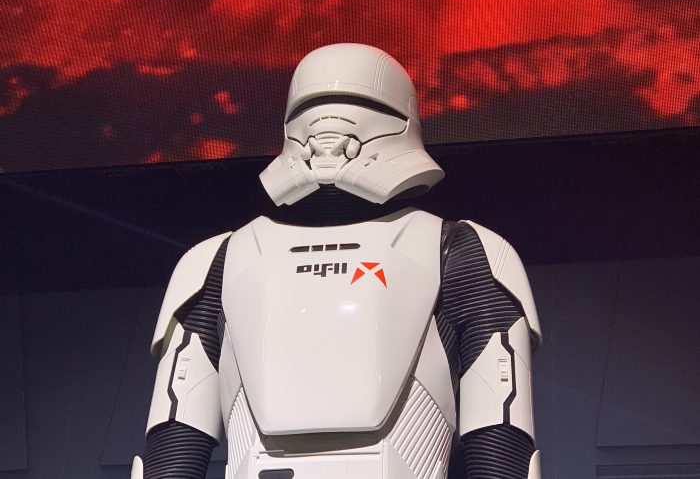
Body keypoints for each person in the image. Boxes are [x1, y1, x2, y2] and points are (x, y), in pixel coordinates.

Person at [132, 43, 542, 479]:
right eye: (315, 109)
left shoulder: (461, 254)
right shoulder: (217, 262)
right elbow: (173, 447)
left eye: (357, 106)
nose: (329, 133)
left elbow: (501, 445)